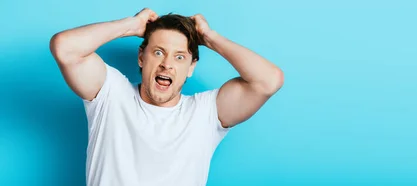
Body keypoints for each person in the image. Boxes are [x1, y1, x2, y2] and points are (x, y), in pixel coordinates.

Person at [49, 8, 284, 186]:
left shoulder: (205, 113)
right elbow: (64, 48)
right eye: (158, 52)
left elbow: (268, 80)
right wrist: (131, 26)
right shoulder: (111, 95)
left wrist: (209, 38)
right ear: (142, 57)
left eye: (180, 57)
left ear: (191, 67)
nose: (167, 65)